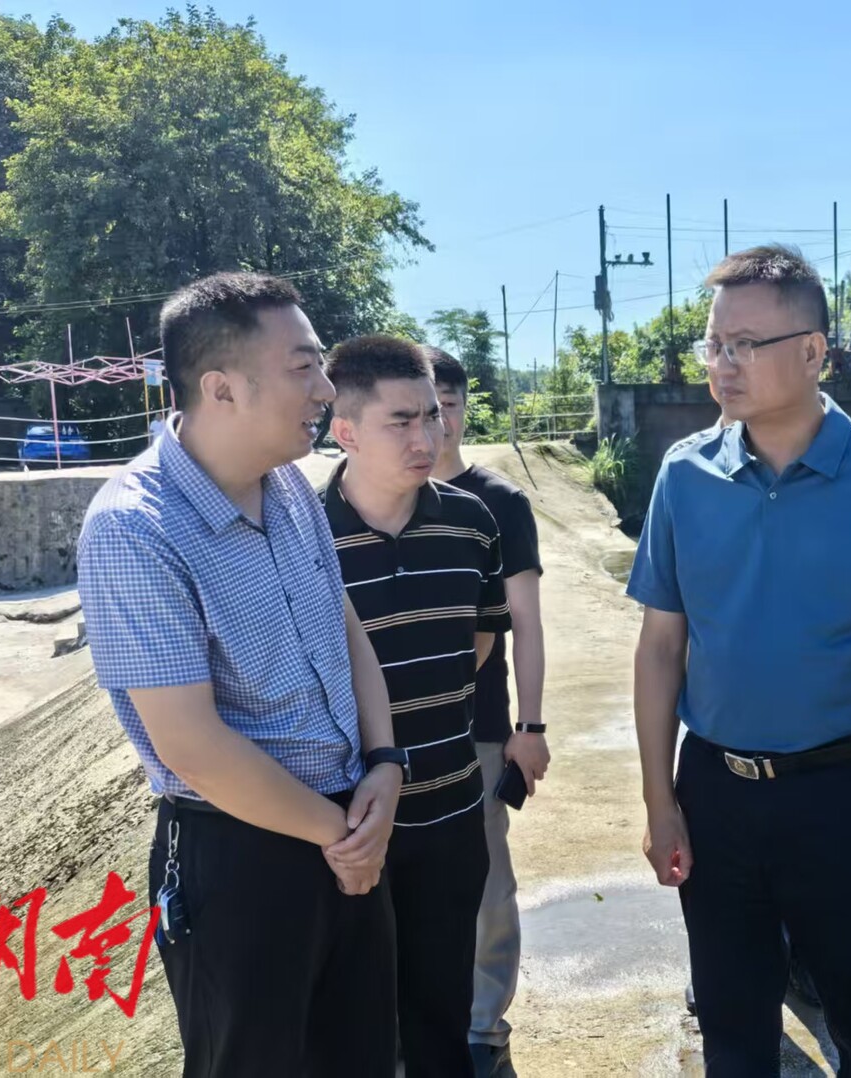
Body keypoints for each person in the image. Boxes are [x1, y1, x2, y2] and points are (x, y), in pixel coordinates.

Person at [629, 245, 851, 1075]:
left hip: (845, 796)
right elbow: (661, 646)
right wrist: (660, 801)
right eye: (714, 344)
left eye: (746, 344)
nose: (723, 363)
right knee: (735, 1040)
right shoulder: (684, 475)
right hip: (716, 793)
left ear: (814, 351)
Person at [77, 272, 403, 1077]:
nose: (326, 390)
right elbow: (192, 746)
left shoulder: (288, 487)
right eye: (303, 367)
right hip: (242, 854)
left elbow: (344, 625)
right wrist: (343, 836)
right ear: (220, 387)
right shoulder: (135, 528)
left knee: (361, 1057)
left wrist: (386, 763)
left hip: (350, 825)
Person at [320, 336, 512, 1077]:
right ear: (345, 430)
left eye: (431, 415)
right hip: (347, 827)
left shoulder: (472, 522)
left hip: (454, 814)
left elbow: (479, 644)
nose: (426, 438)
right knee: (354, 1028)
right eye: (400, 421)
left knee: (442, 1019)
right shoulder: (304, 536)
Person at [423, 346, 548, 1078]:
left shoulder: (498, 502)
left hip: (477, 726)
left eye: (447, 405)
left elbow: (524, 623)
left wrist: (530, 728)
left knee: (484, 881)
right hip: (380, 732)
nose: (435, 422)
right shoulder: (358, 498)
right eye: (419, 407)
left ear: (465, 410)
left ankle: (482, 1026)